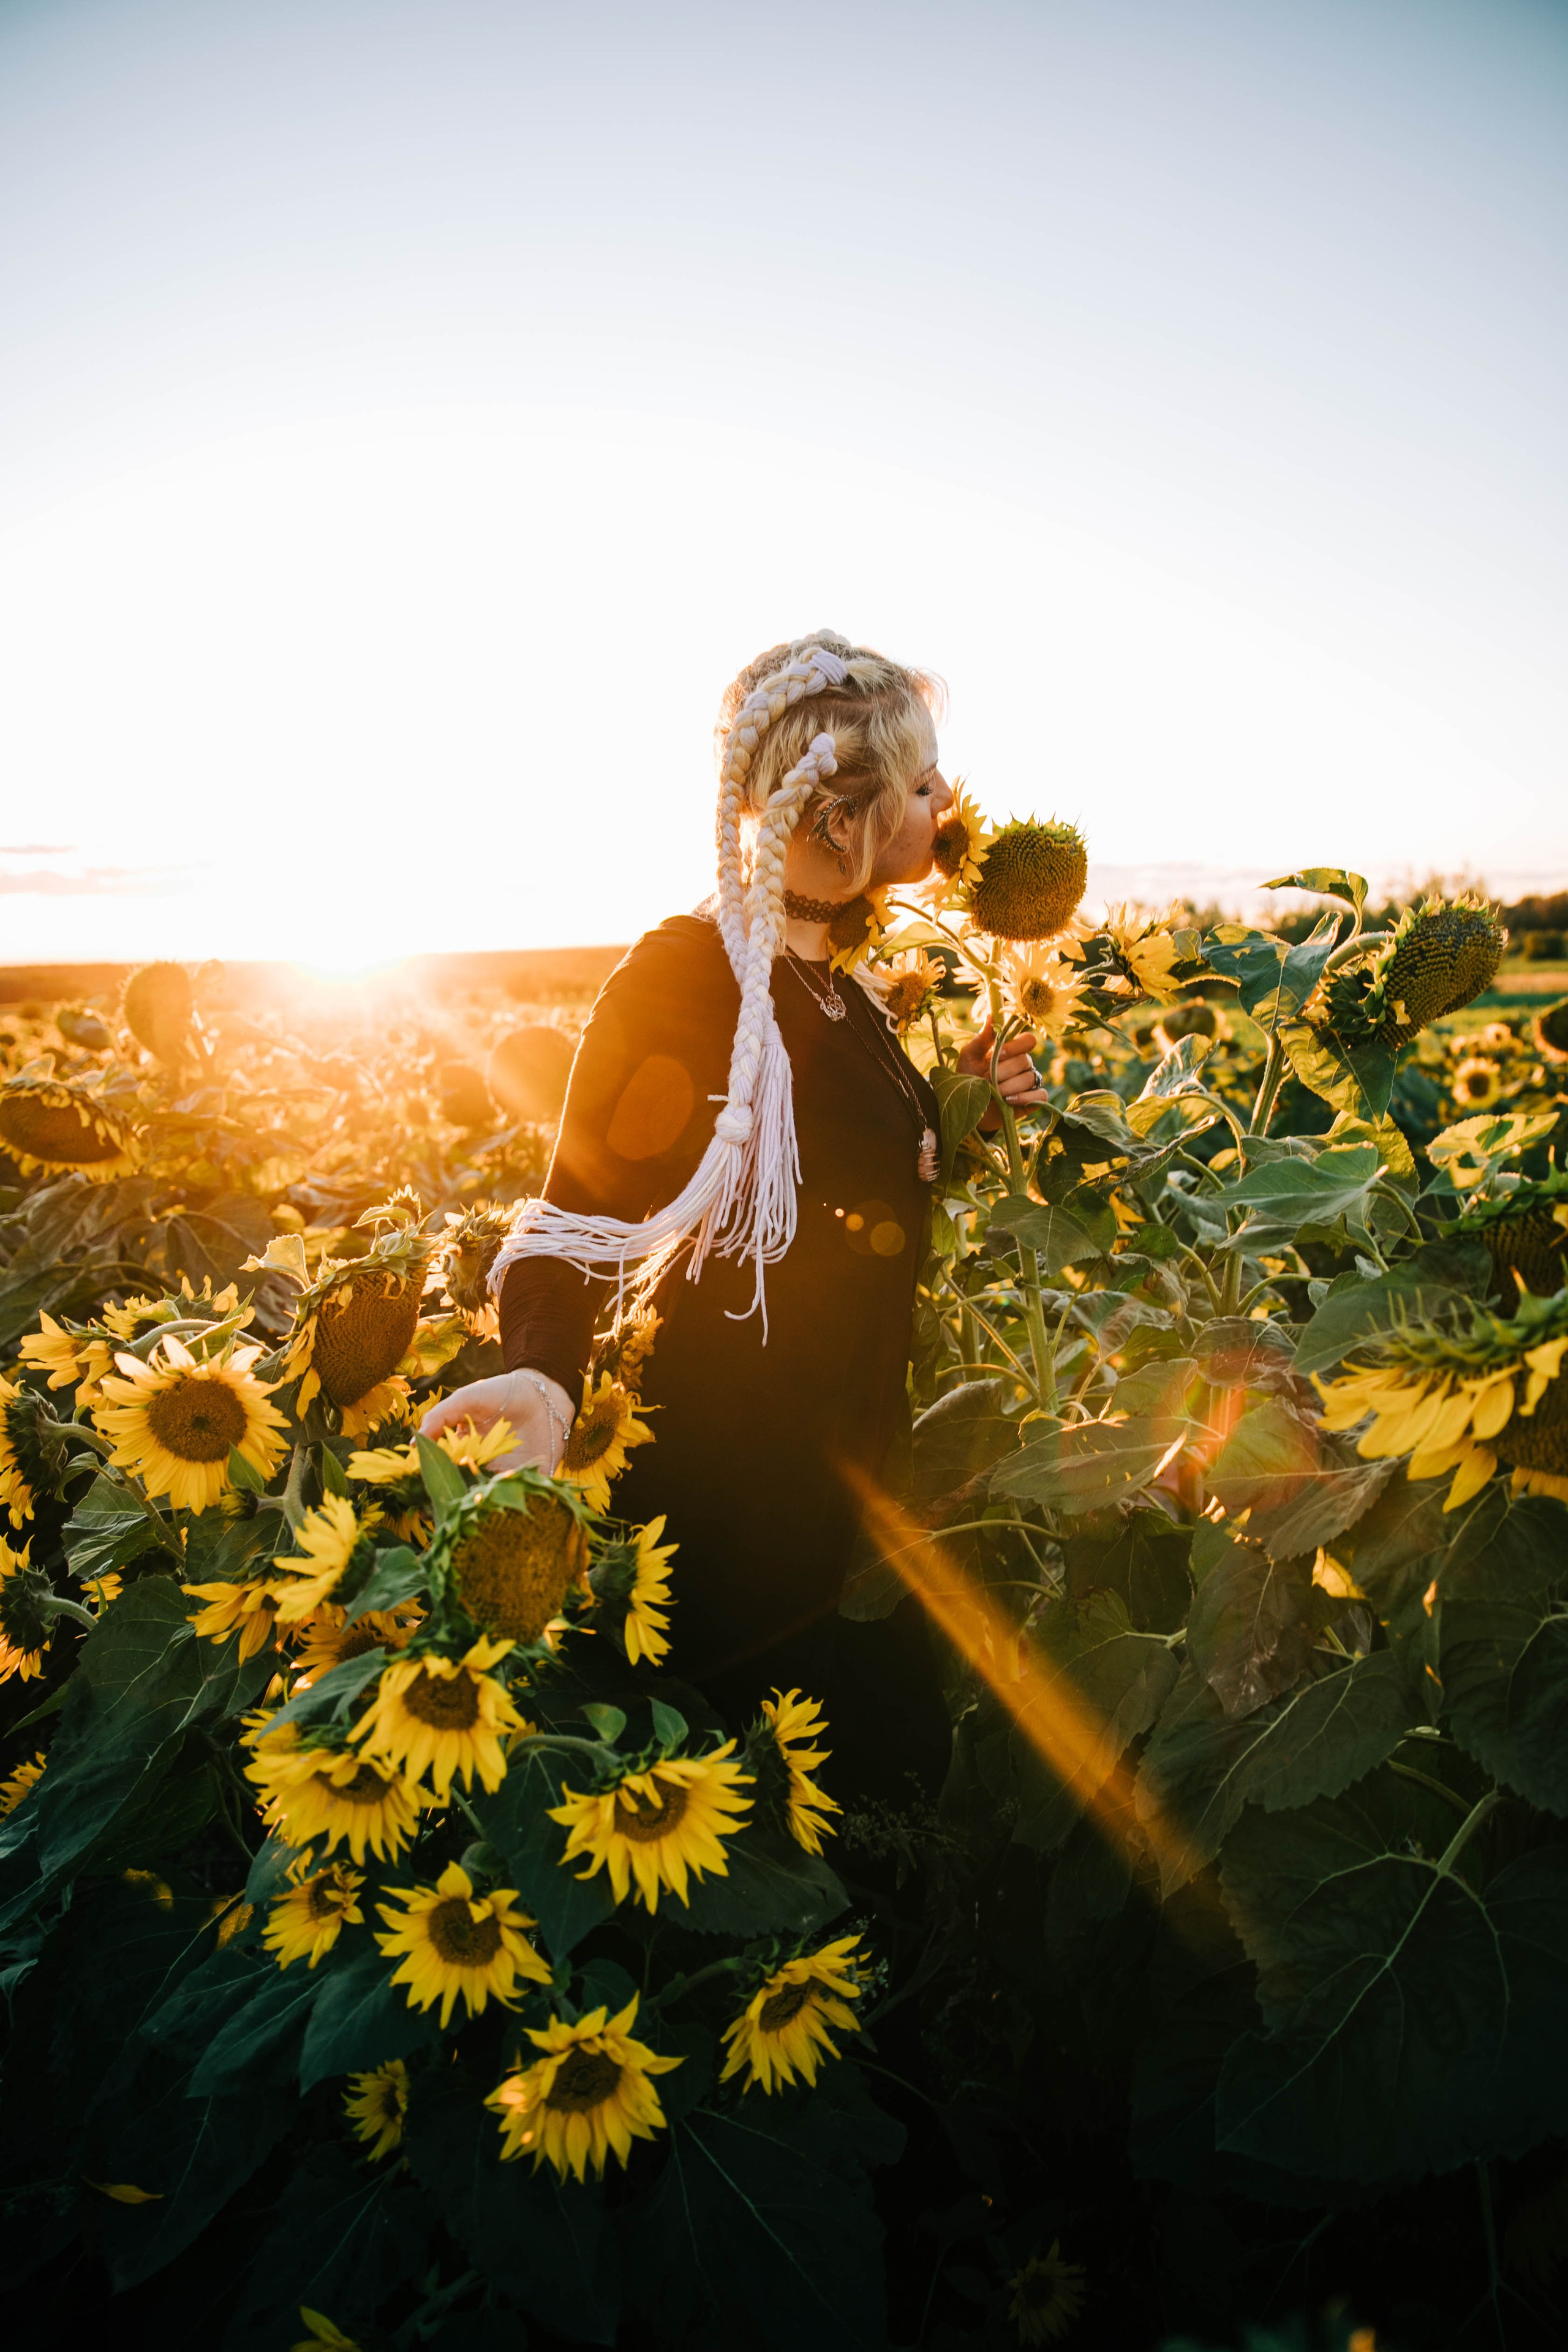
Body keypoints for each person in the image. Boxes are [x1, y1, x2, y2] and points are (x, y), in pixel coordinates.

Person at [421, 632, 1045, 1805]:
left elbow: (853, 1193)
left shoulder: (831, 983)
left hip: (852, 1481)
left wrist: (960, 1109)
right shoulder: (683, 979)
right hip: (727, 1502)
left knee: (872, 1801)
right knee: (743, 1809)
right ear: (842, 819)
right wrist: (543, 1382)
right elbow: (567, 1219)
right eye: (920, 786)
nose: (946, 802)